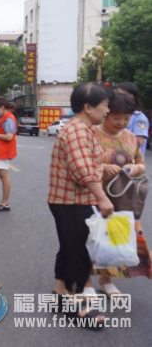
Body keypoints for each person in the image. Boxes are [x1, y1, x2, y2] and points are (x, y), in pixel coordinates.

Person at [48, 82, 113, 330]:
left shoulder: (83, 129)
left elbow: (86, 163)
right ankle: (78, 306)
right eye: (105, 106)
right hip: (72, 201)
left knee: (69, 248)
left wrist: (104, 168)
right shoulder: (78, 131)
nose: (107, 111)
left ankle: (59, 294)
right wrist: (103, 198)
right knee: (77, 253)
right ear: (88, 107)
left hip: (70, 201)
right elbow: (82, 170)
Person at [92, 91, 151, 297]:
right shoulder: (91, 134)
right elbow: (82, 165)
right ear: (105, 113)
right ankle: (83, 282)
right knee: (91, 239)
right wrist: (104, 167)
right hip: (92, 195)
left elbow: (141, 164)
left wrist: (133, 169)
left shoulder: (131, 137)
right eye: (116, 118)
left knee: (116, 241)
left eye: (126, 119)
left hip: (122, 197)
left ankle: (106, 280)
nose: (121, 123)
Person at [0, 96, 17, 212]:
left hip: (2, 153)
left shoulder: (8, 119)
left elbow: (9, 137)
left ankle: (5, 203)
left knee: (3, 176)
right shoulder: (0, 118)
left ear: (2, 107)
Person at [114, 82, 149, 151]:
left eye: (122, 95)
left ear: (133, 97)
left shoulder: (139, 118)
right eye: (115, 95)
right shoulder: (110, 114)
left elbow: (138, 142)